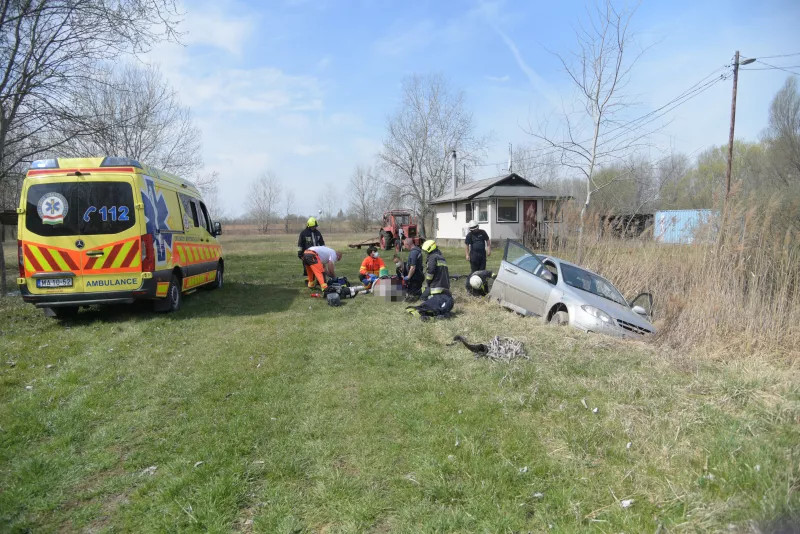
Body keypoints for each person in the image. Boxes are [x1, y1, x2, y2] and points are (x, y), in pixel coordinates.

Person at [406, 239, 453, 320]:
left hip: (436, 287)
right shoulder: (441, 257)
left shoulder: (432, 257)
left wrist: (428, 281)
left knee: (424, 298)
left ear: (429, 249)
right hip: (445, 288)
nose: (426, 253)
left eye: (426, 251)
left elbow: (430, 272)